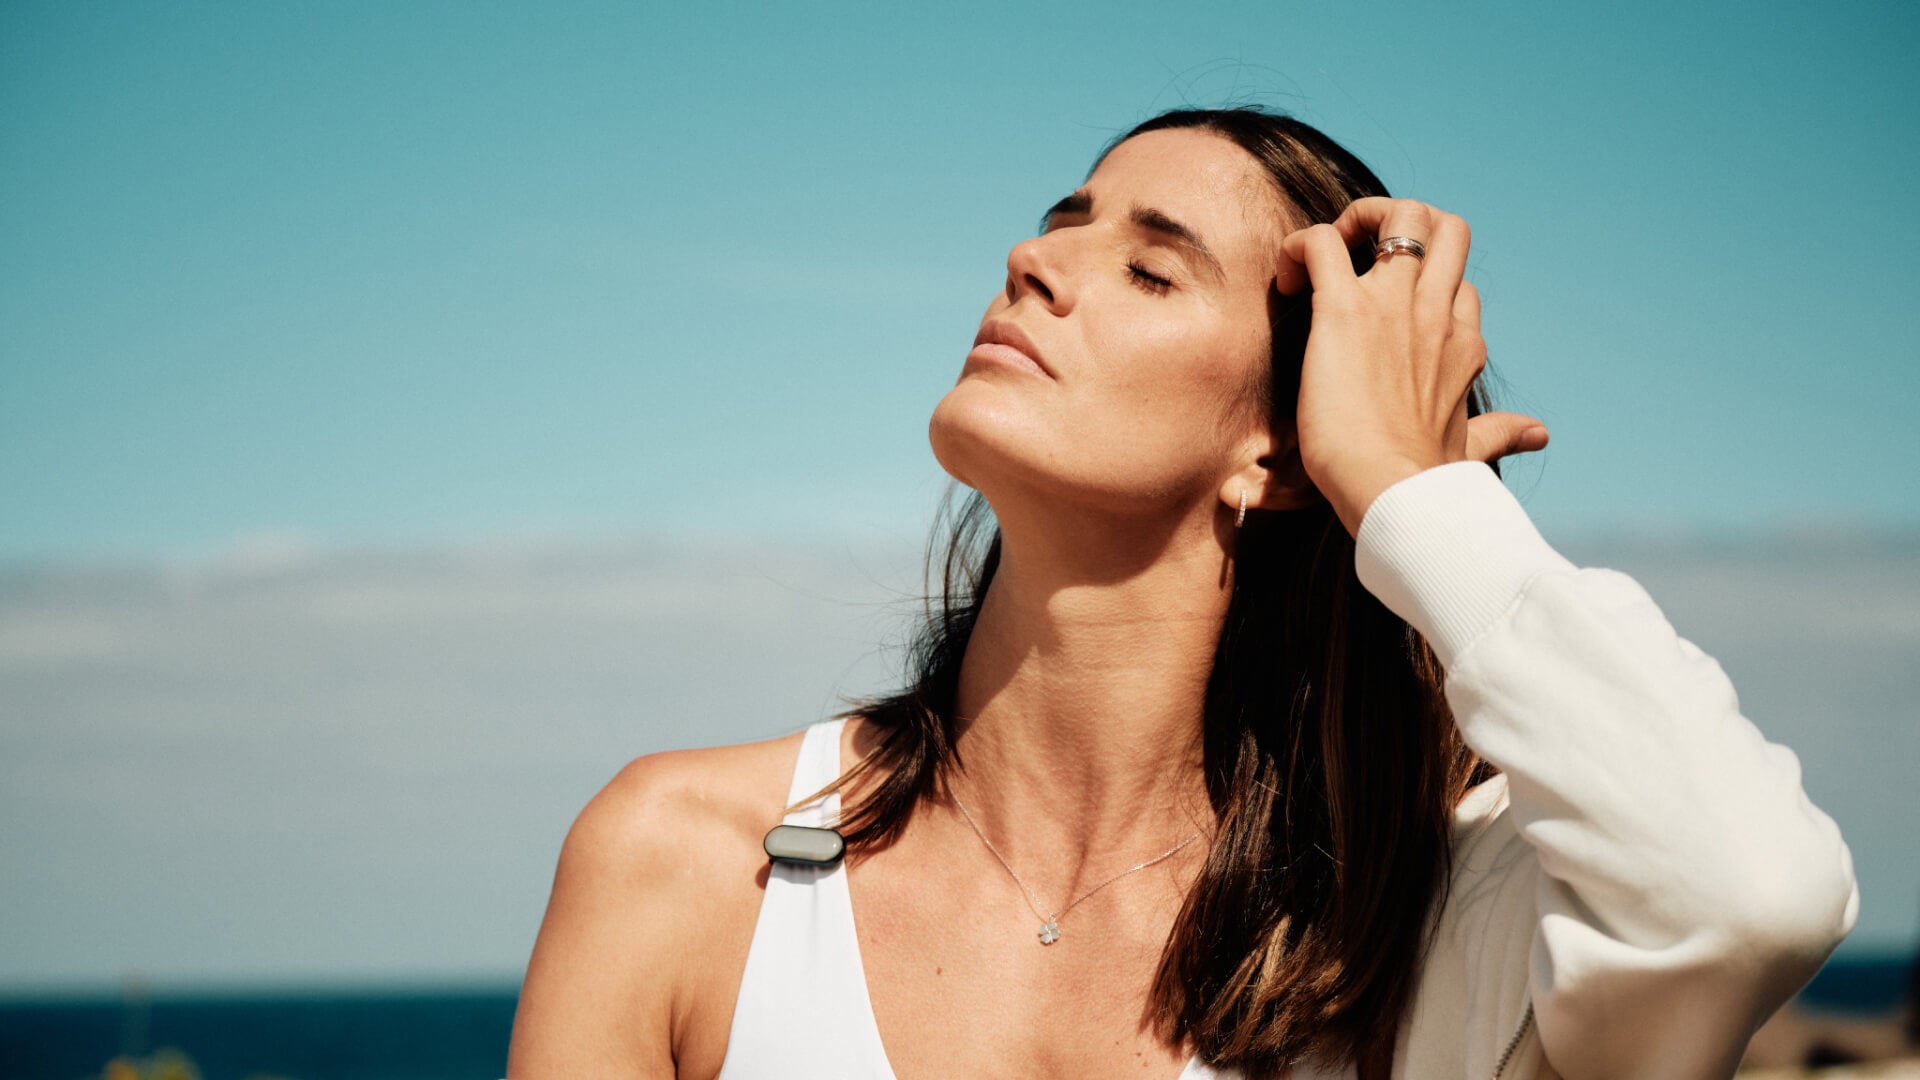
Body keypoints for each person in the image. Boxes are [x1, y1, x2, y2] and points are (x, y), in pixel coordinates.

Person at [505, 107, 1857, 1079]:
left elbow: (1749, 894)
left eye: (1151, 267)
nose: (1036, 264)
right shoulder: (683, 860)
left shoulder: (1422, 938)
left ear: (1280, 448)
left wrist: (1408, 495)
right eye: (1062, 223)